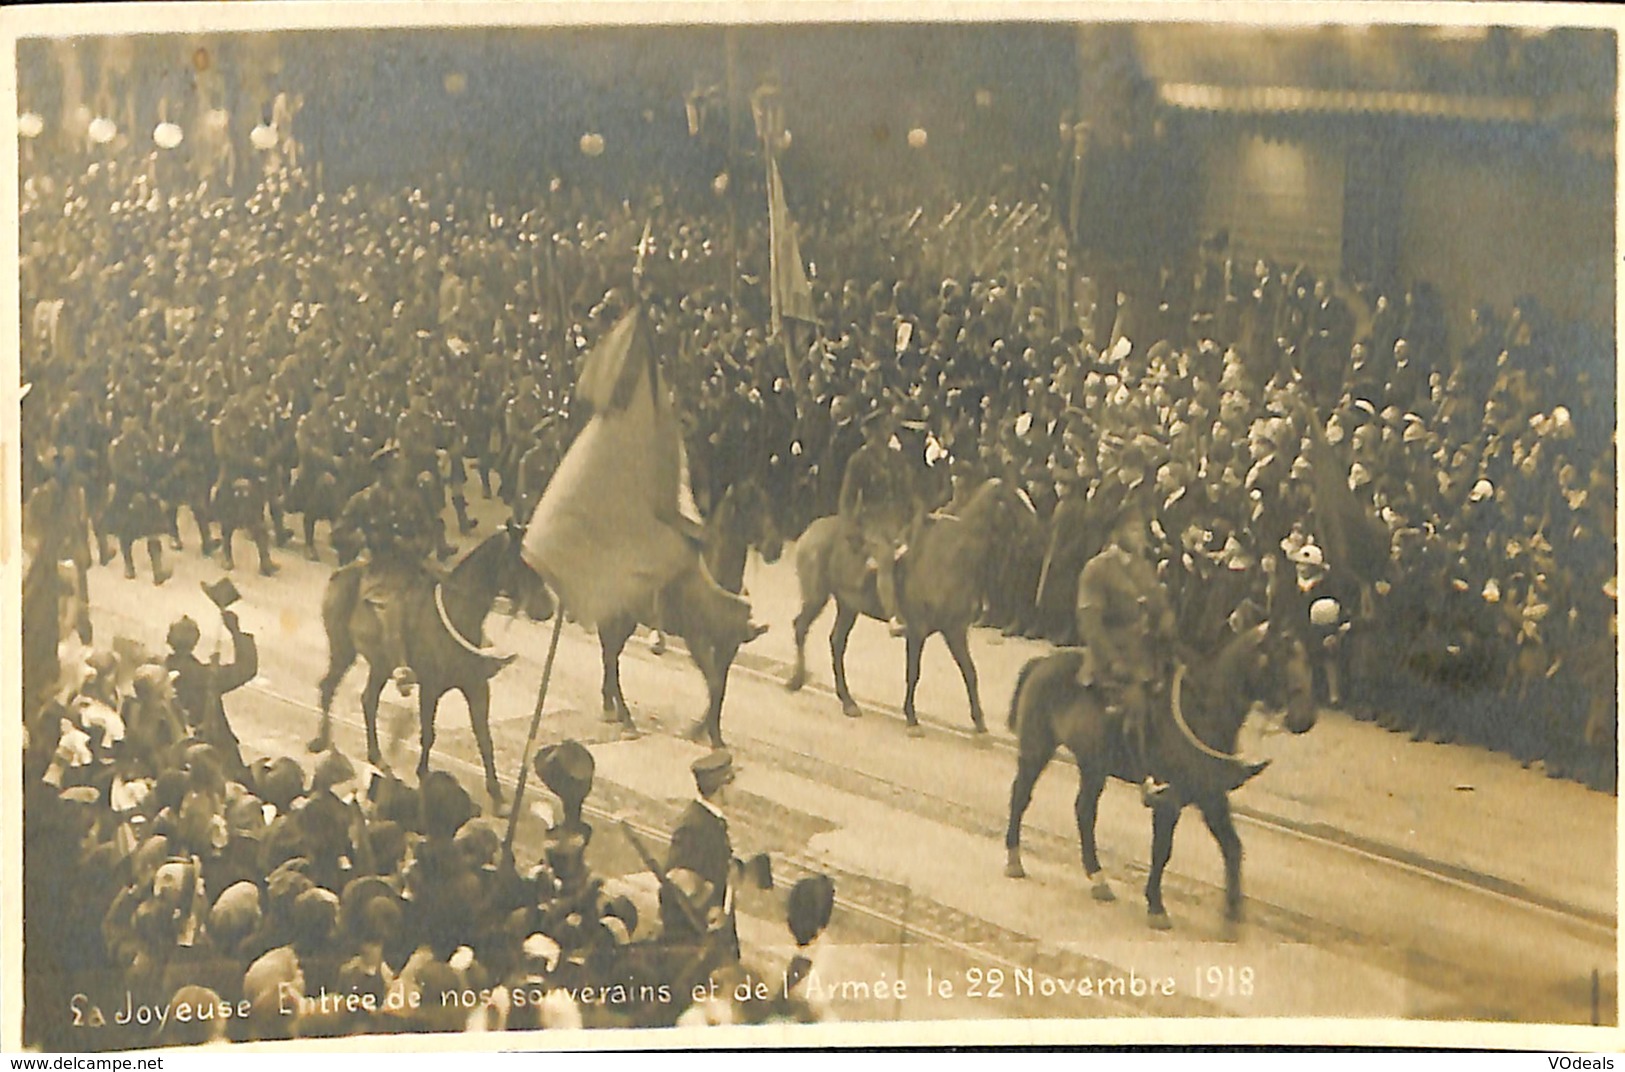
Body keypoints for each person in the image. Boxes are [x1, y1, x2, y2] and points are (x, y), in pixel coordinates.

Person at [1074, 500, 1176, 805]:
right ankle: (1144, 776)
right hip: (1113, 655)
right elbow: (1090, 623)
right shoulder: (1097, 569)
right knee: (1134, 701)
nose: (1140, 534)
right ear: (1117, 532)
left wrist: (1167, 620)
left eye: (1140, 528)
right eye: (1133, 528)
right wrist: (1112, 660)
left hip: (1147, 652)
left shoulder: (1142, 567)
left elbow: (1159, 603)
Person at [163, 590, 256, 785]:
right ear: (195, 640)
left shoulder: (166, 668)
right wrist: (236, 633)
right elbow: (246, 669)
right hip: (213, 747)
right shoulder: (203, 676)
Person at [839, 407, 916, 636]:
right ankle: (893, 616)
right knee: (885, 557)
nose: (887, 431)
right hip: (871, 522)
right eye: (881, 428)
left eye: (887, 426)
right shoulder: (859, 461)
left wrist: (915, 514)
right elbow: (847, 500)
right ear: (870, 433)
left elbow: (907, 492)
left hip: (897, 519)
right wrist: (851, 529)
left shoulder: (896, 458)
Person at [662, 749, 739, 965]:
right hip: (697, 943)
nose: (737, 789)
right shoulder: (692, 827)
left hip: (715, 938)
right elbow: (674, 885)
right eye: (732, 783)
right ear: (722, 788)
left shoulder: (709, 819)